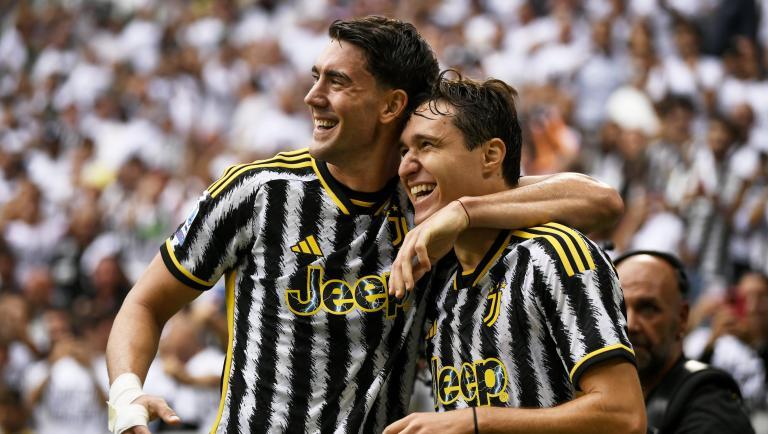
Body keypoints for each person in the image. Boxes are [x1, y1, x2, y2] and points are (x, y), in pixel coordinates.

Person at [106, 16, 624, 434]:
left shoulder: (429, 196)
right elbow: (146, 302)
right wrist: (126, 392)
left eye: (337, 82)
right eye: (316, 77)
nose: (312, 96)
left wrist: (461, 214)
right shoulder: (260, 191)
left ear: (391, 105)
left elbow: (599, 199)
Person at [386, 73, 645, 434]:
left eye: (427, 145)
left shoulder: (553, 254)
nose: (405, 167)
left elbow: (623, 416)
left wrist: (477, 421)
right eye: (404, 151)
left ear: (491, 155)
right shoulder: (439, 282)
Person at [615, 250, 755, 434]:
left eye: (648, 308)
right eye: (618, 308)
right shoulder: (601, 393)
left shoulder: (711, 405)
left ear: (682, 317)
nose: (630, 324)